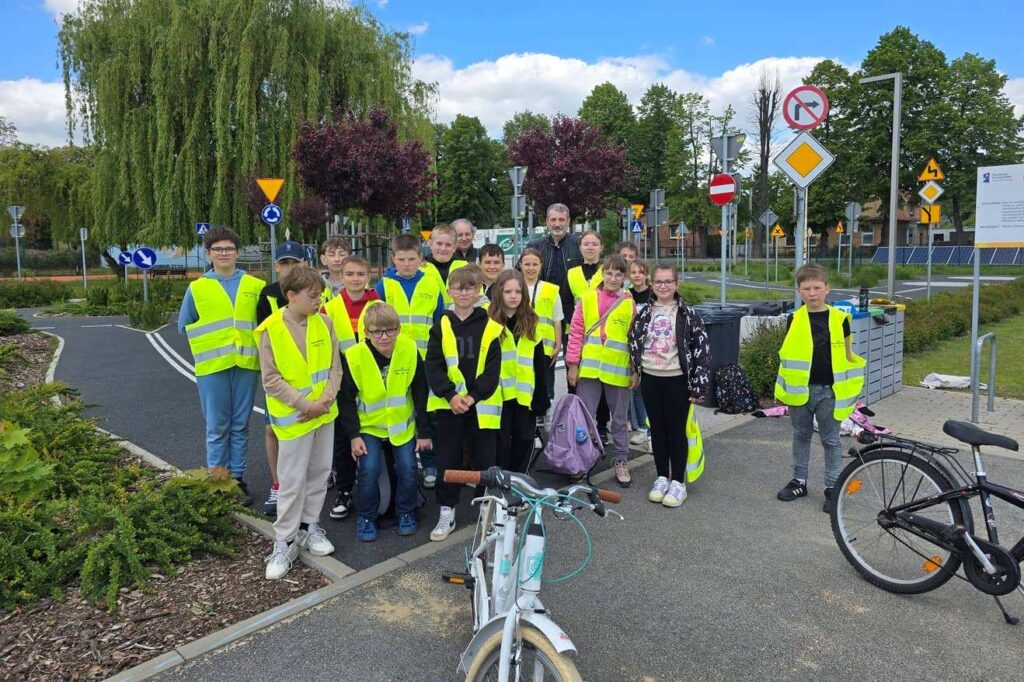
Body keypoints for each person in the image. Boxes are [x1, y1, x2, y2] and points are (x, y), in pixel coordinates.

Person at [256, 267, 342, 579]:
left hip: (322, 415)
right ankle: (284, 541)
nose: (319, 300)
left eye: (320, 295)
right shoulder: (271, 329)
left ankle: (310, 527)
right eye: (313, 296)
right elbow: (271, 379)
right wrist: (307, 404)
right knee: (290, 482)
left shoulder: (326, 323)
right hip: (295, 418)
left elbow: (335, 367)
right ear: (291, 296)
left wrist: (325, 401)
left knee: (319, 474)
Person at [178, 226, 264, 506]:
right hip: (212, 367)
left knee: (240, 424)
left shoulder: (255, 286)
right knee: (217, 426)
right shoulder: (198, 288)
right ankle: (218, 480)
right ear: (208, 253)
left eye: (228, 248)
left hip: (246, 364)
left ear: (237, 252)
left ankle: (237, 480)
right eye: (218, 249)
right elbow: (185, 325)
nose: (223, 253)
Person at [775, 263, 866, 513]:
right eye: (806, 288)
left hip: (830, 391)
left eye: (817, 288)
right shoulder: (793, 319)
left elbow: (848, 356)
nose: (812, 293)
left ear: (827, 289)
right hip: (800, 391)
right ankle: (799, 481)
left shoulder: (840, 320)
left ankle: (833, 487)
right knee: (800, 436)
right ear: (799, 291)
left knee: (831, 441)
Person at [338, 303, 431, 541]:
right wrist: (353, 436)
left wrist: (424, 431)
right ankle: (366, 517)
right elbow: (346, 400)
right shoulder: (355, 356)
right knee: (369, 470)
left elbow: (421, 392)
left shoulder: (409, 348)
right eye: (377, 332)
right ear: (367, 332)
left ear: (399, 329)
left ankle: (406, 512)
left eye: (390, 330)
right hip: (369, 427)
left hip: (402, 426)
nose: (384, 337)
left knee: (408, 468)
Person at [425, 266, 503, 541]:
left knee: (485, 460)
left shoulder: (492, 328)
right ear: (449, 291)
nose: (464, 292)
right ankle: (447, 510)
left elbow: (493, 370)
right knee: (448, 459)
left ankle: (486, 510)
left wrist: (472, 397)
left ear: (479, 290)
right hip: (449, 407)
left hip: (479, 407)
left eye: (470, 287)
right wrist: (451, 396)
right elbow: (433, 366)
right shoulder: (441, 326)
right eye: (458, 287)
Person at [628, 264, 712, 507]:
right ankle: (661, 476)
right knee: (658, 430)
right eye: (658, 282)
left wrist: (699, 386)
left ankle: (678, 482)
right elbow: (634, 341)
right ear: (651, 284)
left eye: (668, 282)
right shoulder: (644, 313)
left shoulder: (688, 314)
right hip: (651, 379)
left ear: (676, 284)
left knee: (676, 431)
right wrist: (635, 369)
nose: (663, 286)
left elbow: (702, 351)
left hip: (677, 380)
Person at [375, 233, 445, 488]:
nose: (406, 264)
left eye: (412, 259)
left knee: (427, 412)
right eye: (401, 259)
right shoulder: (384, 285)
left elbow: (440, 323)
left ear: (420, 258)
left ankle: (429, 463)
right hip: (394, 359)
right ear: (393, 259)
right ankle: (401, 461)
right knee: (399, 409)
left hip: (426, 359)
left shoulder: (431, 284)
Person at [565, 254, 636, 487]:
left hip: (617, 369)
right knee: (584, 419)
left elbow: (633, 337)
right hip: (590, 369)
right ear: (603, 273)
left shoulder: (629, 302)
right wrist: (573, 365)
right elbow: (576, 332)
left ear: (624, 277)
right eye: (609, 273)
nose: (613, 278)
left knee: (619, 419)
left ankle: (621, 460)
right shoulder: (587, 298)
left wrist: (635, 369)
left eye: (618, 274)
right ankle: (581, 462)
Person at [322, 255, 380, 521]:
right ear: (341, 276)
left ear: (368, 276)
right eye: (350, 274)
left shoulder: (379, 305)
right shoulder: (330, 307)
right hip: (342, 377)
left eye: (360, 274)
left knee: (373, 433)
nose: (355, 279)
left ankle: (377, 488)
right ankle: (345, 490)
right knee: (344, 437)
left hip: (372, 377)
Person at [255, 241, 305, 515]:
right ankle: (278, 484)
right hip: (279, 375)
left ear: (304, 264)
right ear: (276, 266)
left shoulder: (314, 291)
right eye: (284, 263)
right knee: (273, 428)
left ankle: (309, 482)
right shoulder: (268, 295)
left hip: (311, 373)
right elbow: (265, 336)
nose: (289, 268)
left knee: (310, 427)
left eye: (294, 262)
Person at [489, 269, 550, 472]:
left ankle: (519, 481)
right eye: (508, 292)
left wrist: (542, 396)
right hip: (499, 395)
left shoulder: (532, 321)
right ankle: (502, 483)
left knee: (524, 440)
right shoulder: (490, 322)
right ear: (499, 293)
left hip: (526, 395)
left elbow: (539, 363)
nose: (513, 296)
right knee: (501, 442)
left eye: (518, 292)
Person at [525, 203, 582, 343]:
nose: (557, 224)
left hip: (572, 312)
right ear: (547, 221)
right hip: (543, 312)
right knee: (544, 358)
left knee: (573, 359)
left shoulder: (579, 245)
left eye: (561, 220)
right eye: (553, 220)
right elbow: (520, 275)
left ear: (568, 221)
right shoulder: (534, 247)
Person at [518, 247, 563, 405]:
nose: (531, 268)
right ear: (520, 265)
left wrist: (558, 345)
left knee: (545, 381)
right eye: (527, 264)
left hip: (545, 346)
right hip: (521, 345)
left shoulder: (551, 290)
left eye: (535, 264)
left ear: (541, 265)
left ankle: (546, 412)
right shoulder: (514, 288)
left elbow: (557, 319)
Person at [627, 260, 653, 450]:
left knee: (651, 389)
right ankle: (643, 429)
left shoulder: (654, 294)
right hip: (633, 348)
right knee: (636, 389)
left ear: (647, 275)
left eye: (640, 272)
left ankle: (654, 433)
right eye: (633, 272)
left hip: (652, 348)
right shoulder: (626, 296)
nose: (637, 275)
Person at [422, 223, 468, 304]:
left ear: (454, 248)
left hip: (459, 316)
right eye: (439, 243)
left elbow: (479, 299)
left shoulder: (466, 268)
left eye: (448, 245)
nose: (443, 248)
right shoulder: (420, 268)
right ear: (431, 244)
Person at [566, 230, 604, 301]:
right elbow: (566, 300)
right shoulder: (572, 272)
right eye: (586, 244)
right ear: (580, 247)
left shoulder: (608, 271)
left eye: (595, 244)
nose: (590, 248)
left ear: (601, 247)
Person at [319, 236, 350, 302]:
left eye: (342, 254)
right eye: (331, 255)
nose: (337, 259)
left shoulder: (360, 285)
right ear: (323, 259)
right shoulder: (316, 286)